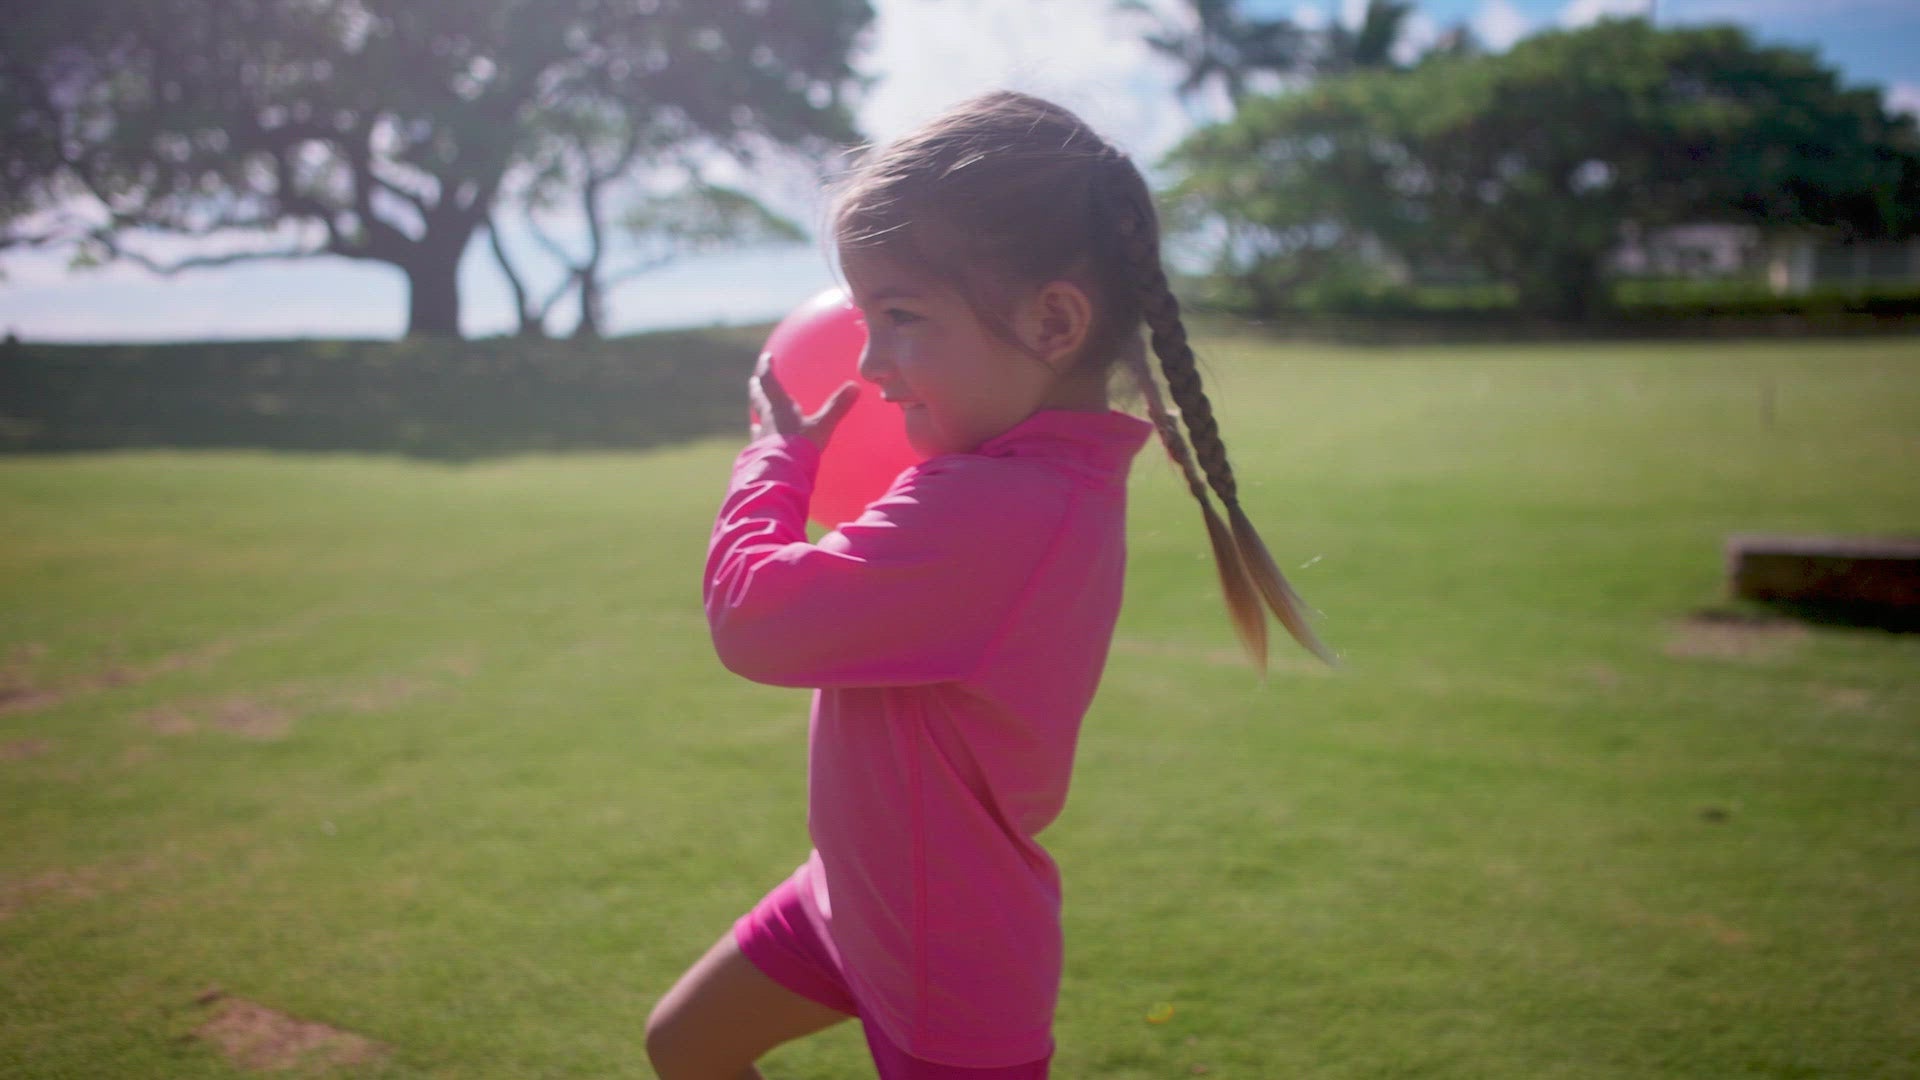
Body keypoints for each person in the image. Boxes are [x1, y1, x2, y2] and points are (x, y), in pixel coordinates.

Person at [646, 90, 1329, 1080]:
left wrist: (775, 462)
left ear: (1053, 322)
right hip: (858, 897)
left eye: (901, 316)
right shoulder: (1023, 477)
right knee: (691, 1045)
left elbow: (754, 620)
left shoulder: (1004, 508)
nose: (870, 363)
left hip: (944, 952)